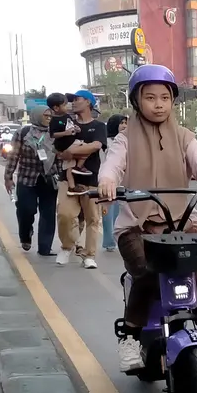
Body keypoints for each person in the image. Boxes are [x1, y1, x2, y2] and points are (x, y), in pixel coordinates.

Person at [97, 65, 197, 371]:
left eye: (165, 97)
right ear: (137, 101)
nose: (159, 103)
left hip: (181, 224)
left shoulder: (184, 136)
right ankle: (130, 337)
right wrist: (107, 182)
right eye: (150, 97)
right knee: (147, 271)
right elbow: (112, 166)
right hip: (137, 227)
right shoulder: (124, 139)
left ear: (173, 101)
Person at [55, 89, 105, 269]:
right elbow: (58, 149)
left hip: (91, 177)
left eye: (78, 99)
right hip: (67, 177)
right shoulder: (67, 125)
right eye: (72, 100)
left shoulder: (99, 126)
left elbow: (96, 146)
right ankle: (68, 246)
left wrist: (72, 151)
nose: (73, 102)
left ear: (89, 103)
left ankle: (89, 255)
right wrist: (66, 152)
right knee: (65, 214)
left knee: (93, 218)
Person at [4, 106, 59, 255]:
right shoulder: (23, 133)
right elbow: (13, 156)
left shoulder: (55, 133)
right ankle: (25, 235)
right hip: (27, 178)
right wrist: (8, 177)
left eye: (50, 116)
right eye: (45, 115)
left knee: (48, 214)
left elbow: (60, 156)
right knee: (25, 209)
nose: (49, 118)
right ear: (36, 116)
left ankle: (45, 247)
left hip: (49, 179)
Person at [47, 93, 87, 196]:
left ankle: (74, 179)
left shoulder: (67, 116)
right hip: (64, 146)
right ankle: (77, 171)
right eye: (64, 105)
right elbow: (52, 134)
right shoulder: (53, 120)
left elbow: (71, 125)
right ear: (56, 108)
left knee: (71, 166)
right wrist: (65, 133)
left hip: (72, 143)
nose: (67, 106)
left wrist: (76, 129)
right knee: (84, 149)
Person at [102, 113, 128, 252]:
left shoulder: (127, 141)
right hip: (107, 182)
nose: (124, 125)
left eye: (126, 123)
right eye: (121, 123)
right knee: (107, 213)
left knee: (119, 213)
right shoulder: (106, 142)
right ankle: (108, 242)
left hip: (123, 182)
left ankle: (118, 239)